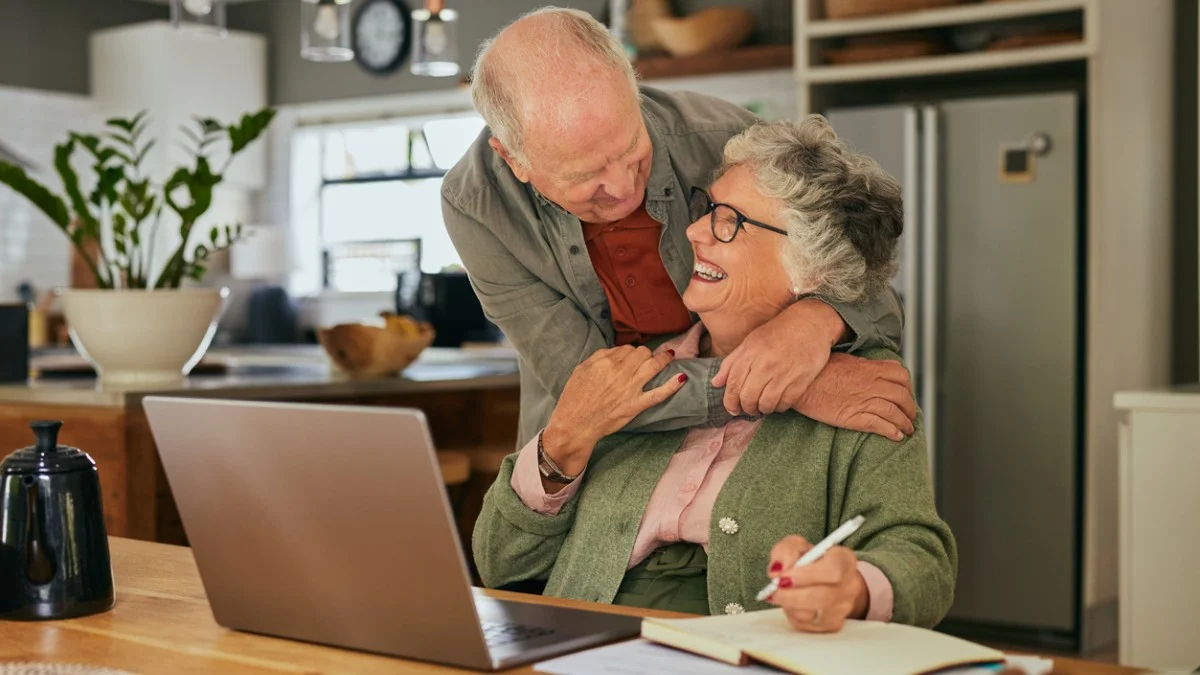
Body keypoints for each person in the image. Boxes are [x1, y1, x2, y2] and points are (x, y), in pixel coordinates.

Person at [473, 116, 955, 631]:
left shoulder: (863, 387)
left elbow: (922, 559)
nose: (694, 230)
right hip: (575, 654)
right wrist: (561, 448)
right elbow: (499, 565)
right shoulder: (636, 368)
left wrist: (854, 587)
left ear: (811, 268)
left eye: (729, 221)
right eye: (708, 210)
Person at [442, 7, 915, 449]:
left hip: (749, 445)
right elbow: (583, 384)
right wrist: (781, 388)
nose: (625, 188)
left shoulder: (730, 143)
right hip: (594, 456)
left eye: (632, 149)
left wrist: (814, 321)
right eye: (587, 178)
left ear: (635, 86)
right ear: (513, 159)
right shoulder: (477, 204)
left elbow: (867, 284)